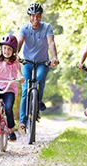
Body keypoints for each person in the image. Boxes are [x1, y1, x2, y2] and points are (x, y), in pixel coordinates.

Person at [17, 3, 60, 132]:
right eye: (33, 16)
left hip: (42, 62)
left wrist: (54, 57)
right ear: (29, 17)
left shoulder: (47, 27)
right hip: (27, 63)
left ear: (41, 16)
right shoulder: (24, 28)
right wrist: (16, 54)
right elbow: (19, 42)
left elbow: (51, 42)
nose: (35, 19)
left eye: (38, 16)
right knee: (25, 90)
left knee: (40, 80)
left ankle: (38, 100)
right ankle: (22, 122)